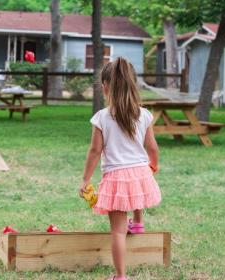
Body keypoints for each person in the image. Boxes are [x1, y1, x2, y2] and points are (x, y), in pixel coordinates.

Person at [79, 57, 161, 280]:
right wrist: (153, 164)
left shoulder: (102, 118)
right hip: (140, 171)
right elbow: (152, 147)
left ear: (105, 87)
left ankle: (120, 276)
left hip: (116, 176)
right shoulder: (144, 115)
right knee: (135, 194)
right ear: (132, 84)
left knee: (117, 230)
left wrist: (85, 180)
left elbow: (95, 152)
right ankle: (139, 223)